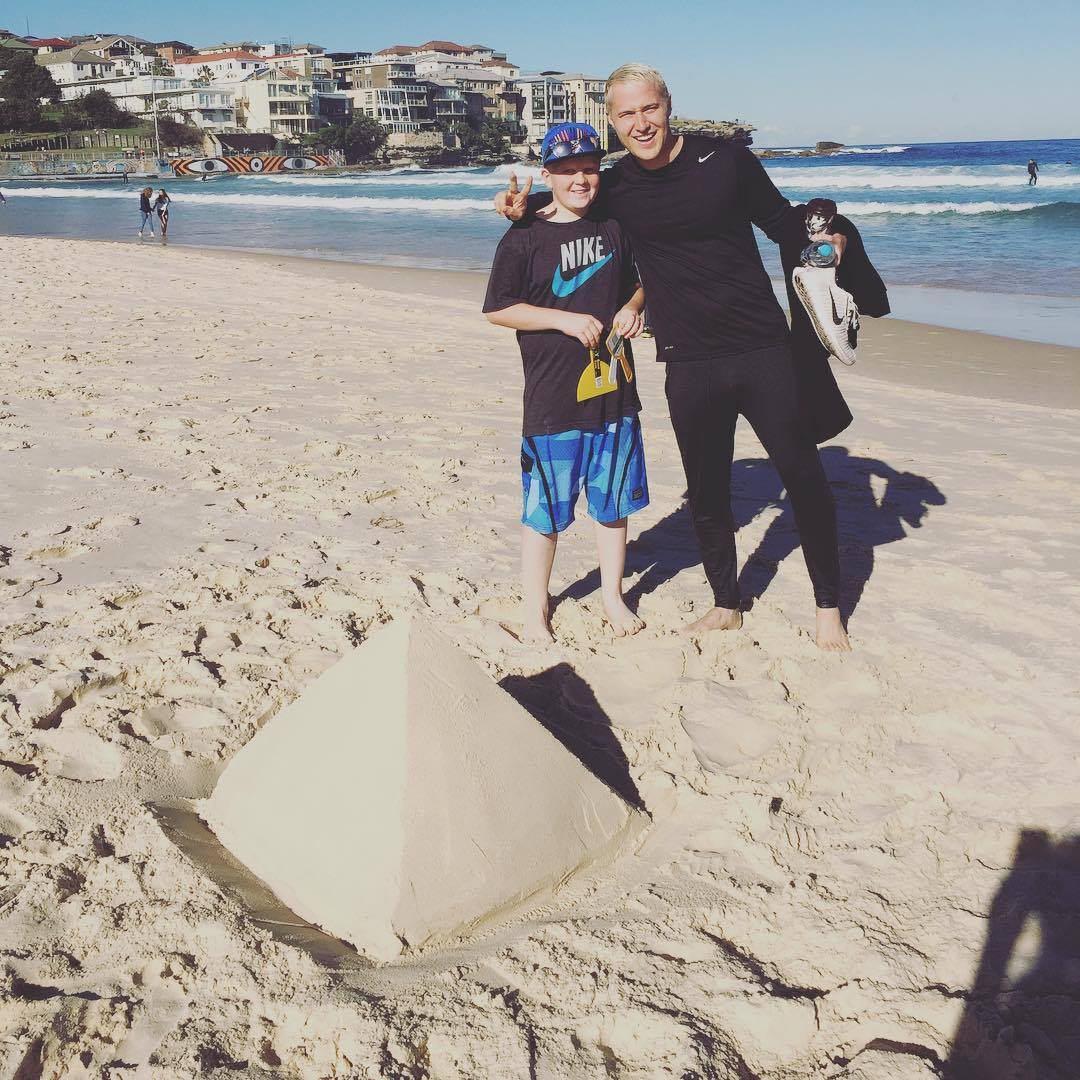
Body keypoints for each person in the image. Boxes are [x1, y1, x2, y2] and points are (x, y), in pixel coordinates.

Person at [496, 63, 881, 651]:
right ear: (613, 121)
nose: (640, 123)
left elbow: (781, 224)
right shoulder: (618, 184)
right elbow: (576, 205)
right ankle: (726, 603)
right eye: (626, 114)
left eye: (648, 108)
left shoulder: (725, 160)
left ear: (667, 105)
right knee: (706, 490)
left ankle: (829, 609)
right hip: (687, 359)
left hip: (761, 347)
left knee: (802, 475)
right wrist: (522, 211)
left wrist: (831, 243)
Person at [484, 122, 650, 644]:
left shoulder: (615, 226)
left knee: (614, 506)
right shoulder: (524, 237)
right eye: (567, 170)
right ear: (548, 174)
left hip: (615, 394)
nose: (581, 180)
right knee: (545, 513)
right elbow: (499, 309)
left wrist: (631, 308)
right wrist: (562, 319)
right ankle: (535, 609)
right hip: (554, 399)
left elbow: (640, 283)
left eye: (589, 169)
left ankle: (611, 597)